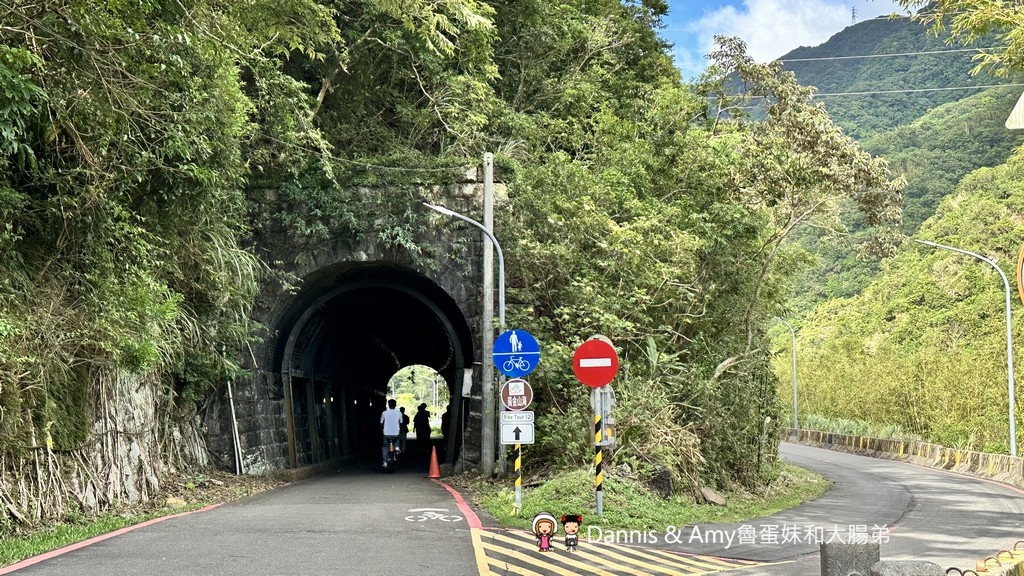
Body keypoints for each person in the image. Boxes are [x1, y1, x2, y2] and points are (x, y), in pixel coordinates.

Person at [380, 399, 402, 468]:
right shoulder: (399, 413)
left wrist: (381, 430)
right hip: (395, 433)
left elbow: (381, 423)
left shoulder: (384, 413)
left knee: (385, 447)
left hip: (386, 433)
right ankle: (397, 447)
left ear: (388, 405)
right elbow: (401, 423)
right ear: (395, 405)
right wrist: (401, 431)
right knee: (397, 438)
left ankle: (385, 462)